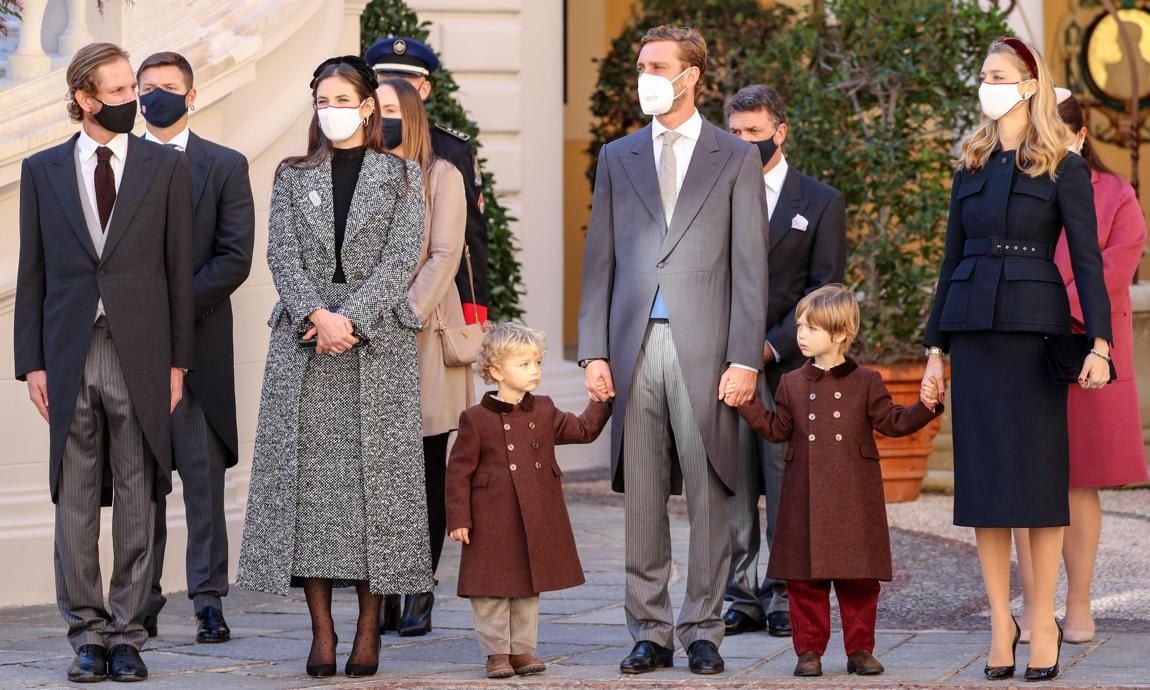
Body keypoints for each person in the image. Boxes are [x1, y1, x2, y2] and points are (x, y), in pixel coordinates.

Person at [577, 25, 768, 676]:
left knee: (712, 491)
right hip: (633, 347)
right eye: (640, 65)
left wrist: (745, 358)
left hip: (710, 351)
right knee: (642, 498)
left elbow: (750, 268)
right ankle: (650, 631)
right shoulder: (617, 155)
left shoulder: (735, 157)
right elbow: (597, 259)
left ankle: (704, 628)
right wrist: (593, 351)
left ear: (691, 76)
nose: (644, 76)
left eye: (657, 65)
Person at [920, 37, 1112, 683]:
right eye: (983, 75)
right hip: (972, 334)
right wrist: (933, 351)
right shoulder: (969, 163)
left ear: (1030, 85)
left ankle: (1040, 621)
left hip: (1034, 336)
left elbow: (1087, 263)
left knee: (1035, 485)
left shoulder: (1065, 166)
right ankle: (1000, 623)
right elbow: (949, 263)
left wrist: (1102, 345)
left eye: (998, 75)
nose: (987, 84)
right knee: (984, 488)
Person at [235, 55, 432, 679]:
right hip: (305, 345)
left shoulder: (403, 176)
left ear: (369, 105)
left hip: (376, 348)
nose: (332, 108)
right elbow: (281, 255)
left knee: (377, 493)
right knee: (314, 495)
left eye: (343, 97)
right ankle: (321, 633)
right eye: (322, 98)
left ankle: (369, 630)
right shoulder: (293, 176)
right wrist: (319, 316)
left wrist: (350, 320)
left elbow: (403, 258)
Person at [14, 42, 194, 683]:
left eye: (132, 90)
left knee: (141, 495)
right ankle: (86, 635)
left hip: (141, 352)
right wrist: (30, 361)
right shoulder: (40, 170)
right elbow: (30, 271)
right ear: (85, 99)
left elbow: (179, 273)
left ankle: (127, 636)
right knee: (75, 502)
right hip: (67, 354)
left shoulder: (163, 169)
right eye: (118, 93)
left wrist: (177, 362)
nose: (133, 102)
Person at [736, 285, 942, 677]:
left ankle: (860, 649)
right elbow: (778, 430)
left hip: (853, 493)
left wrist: (926, 406)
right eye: (799, 326)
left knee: (859, 579)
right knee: (805, 581)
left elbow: (894, 423)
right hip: (804, 493)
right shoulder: (791, 383)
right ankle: (808, 651)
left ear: (841, 334)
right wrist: (746, 403)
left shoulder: (867, 381)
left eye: (811, 328)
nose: (801, 334)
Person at [1013, 89, 1148, 645]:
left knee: (1079, 480)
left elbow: (1115, 266)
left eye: (1054, 136)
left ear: (1080, 137)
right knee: (1025, 480)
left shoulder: (1116, 193)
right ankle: (1033, 605)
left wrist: (1054, 308)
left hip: (1088, 345)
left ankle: (1081, 602)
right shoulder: (1016, 186)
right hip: (1023, 342)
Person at [136, 50, 255, 645]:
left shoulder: (226, 165)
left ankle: (209, 600)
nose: (155, 95)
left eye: (168, 86)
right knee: (141, 484)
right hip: (133, 354)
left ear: (192, 95)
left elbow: (234, 257)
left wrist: (169, 312)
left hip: (201, 352)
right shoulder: (118, 164)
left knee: (203, 484)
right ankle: (143, 598)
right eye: (146, 87)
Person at [721, 84, 847, 639]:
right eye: (736, 132)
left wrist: (772, 347)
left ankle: (781, 594)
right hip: (722, 362)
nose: (745, 142)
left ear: (780, 131)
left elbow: (826, 293)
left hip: (789, 367)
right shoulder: (712, 193)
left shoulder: (820, 201)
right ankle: (739, 594)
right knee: (732, 481)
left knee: (786, 486)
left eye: (755, 131)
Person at [446, 323, 611, 679]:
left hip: (534, 514)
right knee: (490, 588)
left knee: (526, 587)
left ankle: (522, 651)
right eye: (523, 364)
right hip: (491, 517)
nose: (534, 371)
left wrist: (600, 400)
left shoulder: (545, 411)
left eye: (537, 362)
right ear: (495, 371)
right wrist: (459, 518)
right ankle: (496, 653)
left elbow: (584, 430)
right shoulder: (474, 419)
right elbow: (458, 472)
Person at [374, 76, 475, 636]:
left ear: (411, 113)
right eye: (376, 108)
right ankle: (385, 584)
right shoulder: (361, 172)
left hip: (425, 335)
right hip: (367, 339)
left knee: (426, 466)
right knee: (382, 470)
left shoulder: (442, 174)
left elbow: (444, 256)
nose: (382, 117)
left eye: (392, 108)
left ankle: (419, 587)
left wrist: (399, 315)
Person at [365, 36, 490, 322]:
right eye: (386, 80)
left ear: (424, 89)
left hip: (435, 303)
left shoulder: (450, 150)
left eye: (406, 83)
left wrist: (474, 309)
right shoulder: (359, 140)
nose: (396, 89)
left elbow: (471, 235)